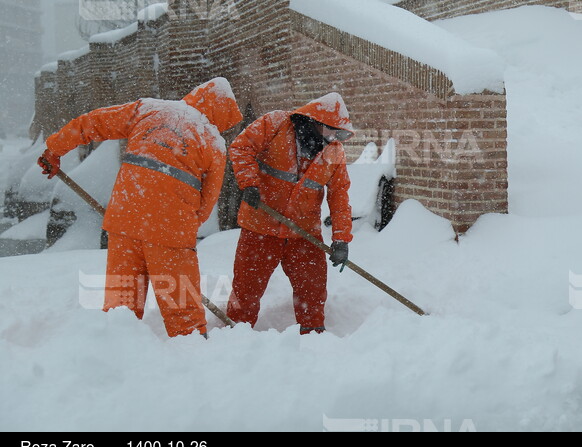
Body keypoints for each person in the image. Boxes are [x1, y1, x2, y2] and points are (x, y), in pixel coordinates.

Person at [38, 78, 243, 338]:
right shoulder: (213, 141)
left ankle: (116, 354)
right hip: (172, 232)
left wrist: (54, 148)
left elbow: (92, 123)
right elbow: (206, 203)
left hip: (124, 222)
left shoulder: (148, 109)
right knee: (183, 312)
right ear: (221, 114)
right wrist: (178, 229)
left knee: (120, 305)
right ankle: (193, 359)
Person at [227, 93, 355, 335]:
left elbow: (340, 197)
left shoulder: (334, 152)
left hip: (304, 234)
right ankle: (235, 335)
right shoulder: (275, 124)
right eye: (331, 132)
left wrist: (341, 239)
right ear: (315, 122)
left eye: (338, 134)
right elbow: (241, 147)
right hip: (260, 227)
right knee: (246, 289)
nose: (333, 139)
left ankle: (314, 336)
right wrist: (249, 184)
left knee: (313, 289)